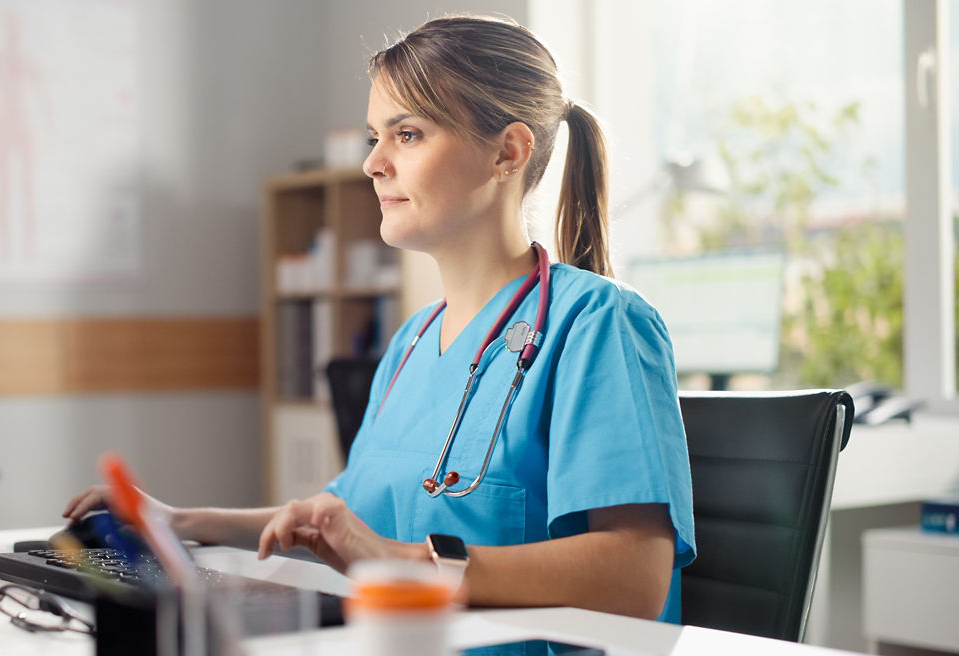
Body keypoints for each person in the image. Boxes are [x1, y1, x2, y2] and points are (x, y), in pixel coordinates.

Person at [65, 14, 695, 622]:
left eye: (408, 134)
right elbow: (337, 514)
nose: (373, 163)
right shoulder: (413, 342)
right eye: (375, 137)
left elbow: (635, 576)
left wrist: (407, 564)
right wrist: (179, 522)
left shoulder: (598, 325)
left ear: (508, 151)